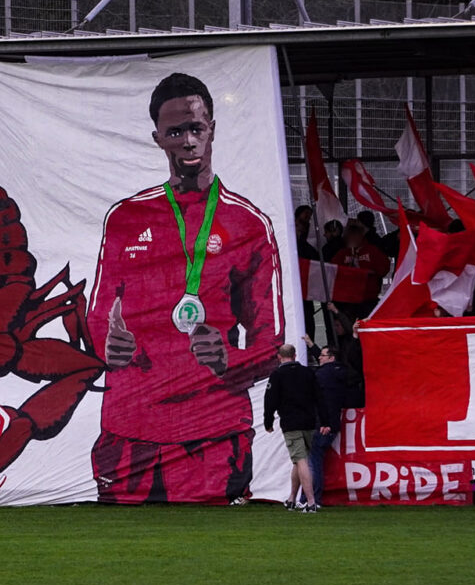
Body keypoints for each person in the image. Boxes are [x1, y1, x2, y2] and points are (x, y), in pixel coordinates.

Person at [88, 72, 284, 503]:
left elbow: (271, 343)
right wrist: (107, 341)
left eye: (196, 128)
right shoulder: (125, 219)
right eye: (175, 131)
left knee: (217, 558)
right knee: (114, 560)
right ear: (158, 138)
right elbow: (97, 315)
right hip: (129, 430)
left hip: (213, 435)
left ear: (212, 129)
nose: (188, 141)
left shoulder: (249, 224)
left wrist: (231, 360)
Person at [263, 344, 320, 511]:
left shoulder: (278, 375)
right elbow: (319, 396)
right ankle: (292, 498)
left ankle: (310, 502)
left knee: (301, 460)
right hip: (309, 422)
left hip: (291, 423)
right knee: (299, 460)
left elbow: (270, 400)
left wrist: (268, 421)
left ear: (279, 357)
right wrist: (324, 420)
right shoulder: (308, 372)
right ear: (295, 356)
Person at [308, 343, 360, 505]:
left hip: (323, 424)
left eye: (322, 355)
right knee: (317, 460)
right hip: (332, 423)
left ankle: (312, 498)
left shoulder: (323, 375)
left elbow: (322, 401)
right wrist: (312, 345)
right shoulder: (341, 374)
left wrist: (323, 422)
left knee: (313, 462)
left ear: (331, 358)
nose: (319, 358)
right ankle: (312, 497)